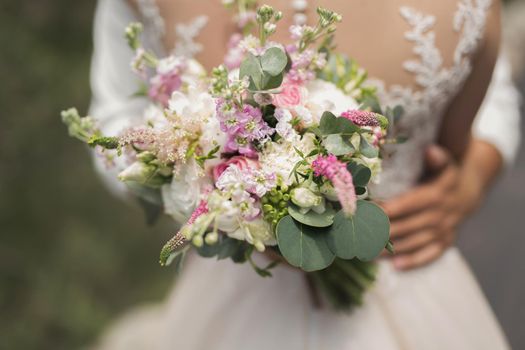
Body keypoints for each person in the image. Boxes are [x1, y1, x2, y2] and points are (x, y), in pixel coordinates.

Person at [89, 0, 521, 349]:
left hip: (405, 258)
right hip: (237, 283)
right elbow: (114, 121)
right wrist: (218, 205)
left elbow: (493, 96)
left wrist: (471, 181)